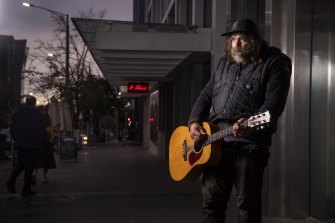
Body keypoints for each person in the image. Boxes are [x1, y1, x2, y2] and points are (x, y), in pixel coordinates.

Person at [188, 19, 292, 222]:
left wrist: (251, 127)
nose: (235, 44)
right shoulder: (223, 64)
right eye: (233, 39)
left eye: (241, 39)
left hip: (250, 147)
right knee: (211, 205)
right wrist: (194, 122)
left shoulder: (275, 61)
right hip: (215, 146)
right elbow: (205, 97)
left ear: (254, 40)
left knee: (247, 207)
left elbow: (274, 105)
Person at [6, 96, 46, 196]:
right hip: (33, 144)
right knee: (29, 166)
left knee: (21, 164)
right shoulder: (37, 114)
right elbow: (40, 130)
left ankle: (12, 181)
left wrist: (17, 139)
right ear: (34, 103)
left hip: (21, 143)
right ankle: (25, 188)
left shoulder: (17, 113)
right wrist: (40, 142)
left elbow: (12, 129)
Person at [32, 112, 56, 184]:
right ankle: (45, 178)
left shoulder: (38, 127)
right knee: (46, 163)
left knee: (37, 161)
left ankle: (34, 173)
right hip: (47, 146)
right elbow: (51, 138)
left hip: (39, 146)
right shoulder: (50, 128)